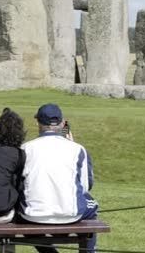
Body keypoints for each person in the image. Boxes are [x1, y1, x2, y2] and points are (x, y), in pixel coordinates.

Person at [19, 103, 98, 253]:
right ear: (62, 123)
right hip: (70, 214)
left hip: (33, 214)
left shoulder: (25, 148)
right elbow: (86, 186)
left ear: (38, 122)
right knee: (93, 206)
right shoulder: (77, 149)